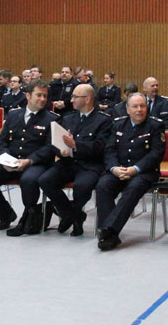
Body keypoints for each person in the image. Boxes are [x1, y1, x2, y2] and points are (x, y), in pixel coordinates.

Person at [0, 81, 59, 233]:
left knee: (28, 180)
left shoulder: (52, 119)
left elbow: (50, 147)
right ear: (28, 96)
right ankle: (6, 214)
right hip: (11, 161)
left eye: (45, 96)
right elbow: (1, 141)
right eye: (38, 95)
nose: (42, 99)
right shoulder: (14, 115)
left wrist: (29, 160)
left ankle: (27, 218)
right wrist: (5, 159)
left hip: (35, 163)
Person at [37, 84, 112, 236]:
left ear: (88, 99)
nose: (71, 100)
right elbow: (55, 140)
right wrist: (61, 151)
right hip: (68, 162)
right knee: (45, 180)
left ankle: (70, 215)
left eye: (75, 97)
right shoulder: (68, 118)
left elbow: (100, 147)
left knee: (82, 186)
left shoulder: (104, 120)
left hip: (90, 164)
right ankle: (73, 215)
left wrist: (76, 145)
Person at [95, 93, 166, 250]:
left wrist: (135, 169)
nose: (139, 110)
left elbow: (156, 153)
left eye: (142, 106)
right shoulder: (118, 124)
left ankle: (108, 230)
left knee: (133, 187)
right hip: (119, 169)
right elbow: (109, 150)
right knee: (103, 185)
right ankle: (110, 233)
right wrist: (114, 168)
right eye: (135, 106)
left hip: (144, 171)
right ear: (127, 109)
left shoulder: (156, 125)